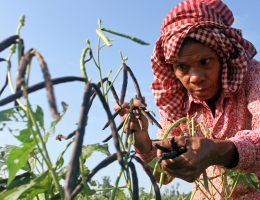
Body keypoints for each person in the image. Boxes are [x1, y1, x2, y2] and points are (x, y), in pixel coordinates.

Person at [115, 0, 260, 199]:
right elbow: (162, 176)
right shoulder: (175, 101)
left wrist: (216, 151)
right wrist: (143, 142)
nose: (195, 77)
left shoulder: (253, 77)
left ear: (223, 56)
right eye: (183, 67)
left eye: (206, 61)